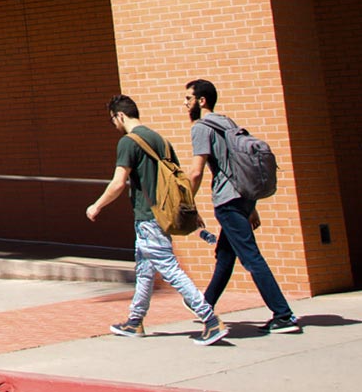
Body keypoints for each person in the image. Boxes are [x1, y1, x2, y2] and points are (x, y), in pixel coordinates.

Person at [87, 95, 227, 345]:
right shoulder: (161, 141)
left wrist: (96, 205)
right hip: (163, 214)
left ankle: (210, 319)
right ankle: (135, 321)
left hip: (148, 216)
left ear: (120, 116)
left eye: (113, 120)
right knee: (144, 269)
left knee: (169, 268)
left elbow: (119, 182)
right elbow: (179, 181)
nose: (114, 125)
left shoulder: (128, 143)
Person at [184, 79, 300, 334]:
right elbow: (240, 164)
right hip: (244, 197)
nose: (185, 104)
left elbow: (196, 172)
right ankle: (205, 304)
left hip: (227, 201)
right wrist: (251, 206)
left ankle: (283, 315)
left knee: (251, 257)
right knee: (225, 255)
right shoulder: (227, 122)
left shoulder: (201, 128)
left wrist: (186, 204)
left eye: (188, 99)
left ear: (201, 101)